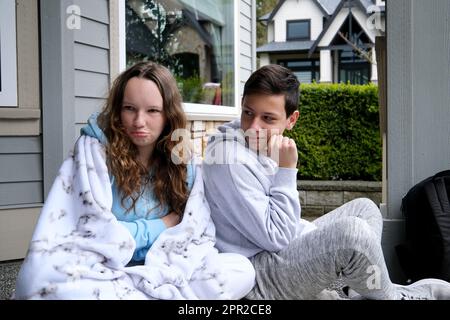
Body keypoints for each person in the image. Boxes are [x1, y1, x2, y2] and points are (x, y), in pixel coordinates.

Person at [202, 64, 450, 300]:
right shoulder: (229, 161)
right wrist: (286, 171)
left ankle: (353, 288)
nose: (253, 127)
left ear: (291, 120)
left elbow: (279, 226)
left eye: (267, 118)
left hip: (276, 251)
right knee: (353, 235)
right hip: (259, 276)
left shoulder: (256, 145)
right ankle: (392, 296)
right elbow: (277, 237)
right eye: (248, 112)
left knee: (365, 209)